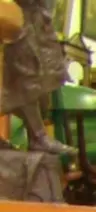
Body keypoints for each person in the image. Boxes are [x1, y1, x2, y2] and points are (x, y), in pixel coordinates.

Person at [1, 0, 74, 154]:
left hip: (31, 24)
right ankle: (38, 136)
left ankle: (38, 136)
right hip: (20, 25)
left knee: (29, 82)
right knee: (26, 81)